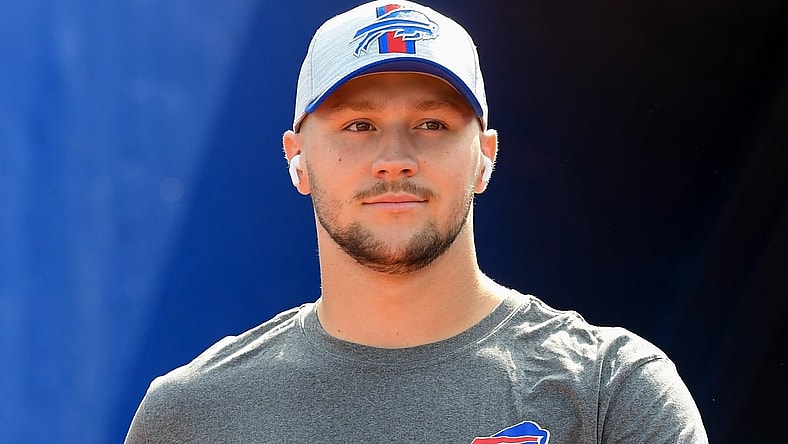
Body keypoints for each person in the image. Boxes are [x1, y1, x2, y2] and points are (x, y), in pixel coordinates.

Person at [124, 1, 708, 442]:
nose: (395, 157)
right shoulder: (194, 416)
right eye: (359, 125)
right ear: (296, 158)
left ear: (485, 156)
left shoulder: (612, 391)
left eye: (432, 124)